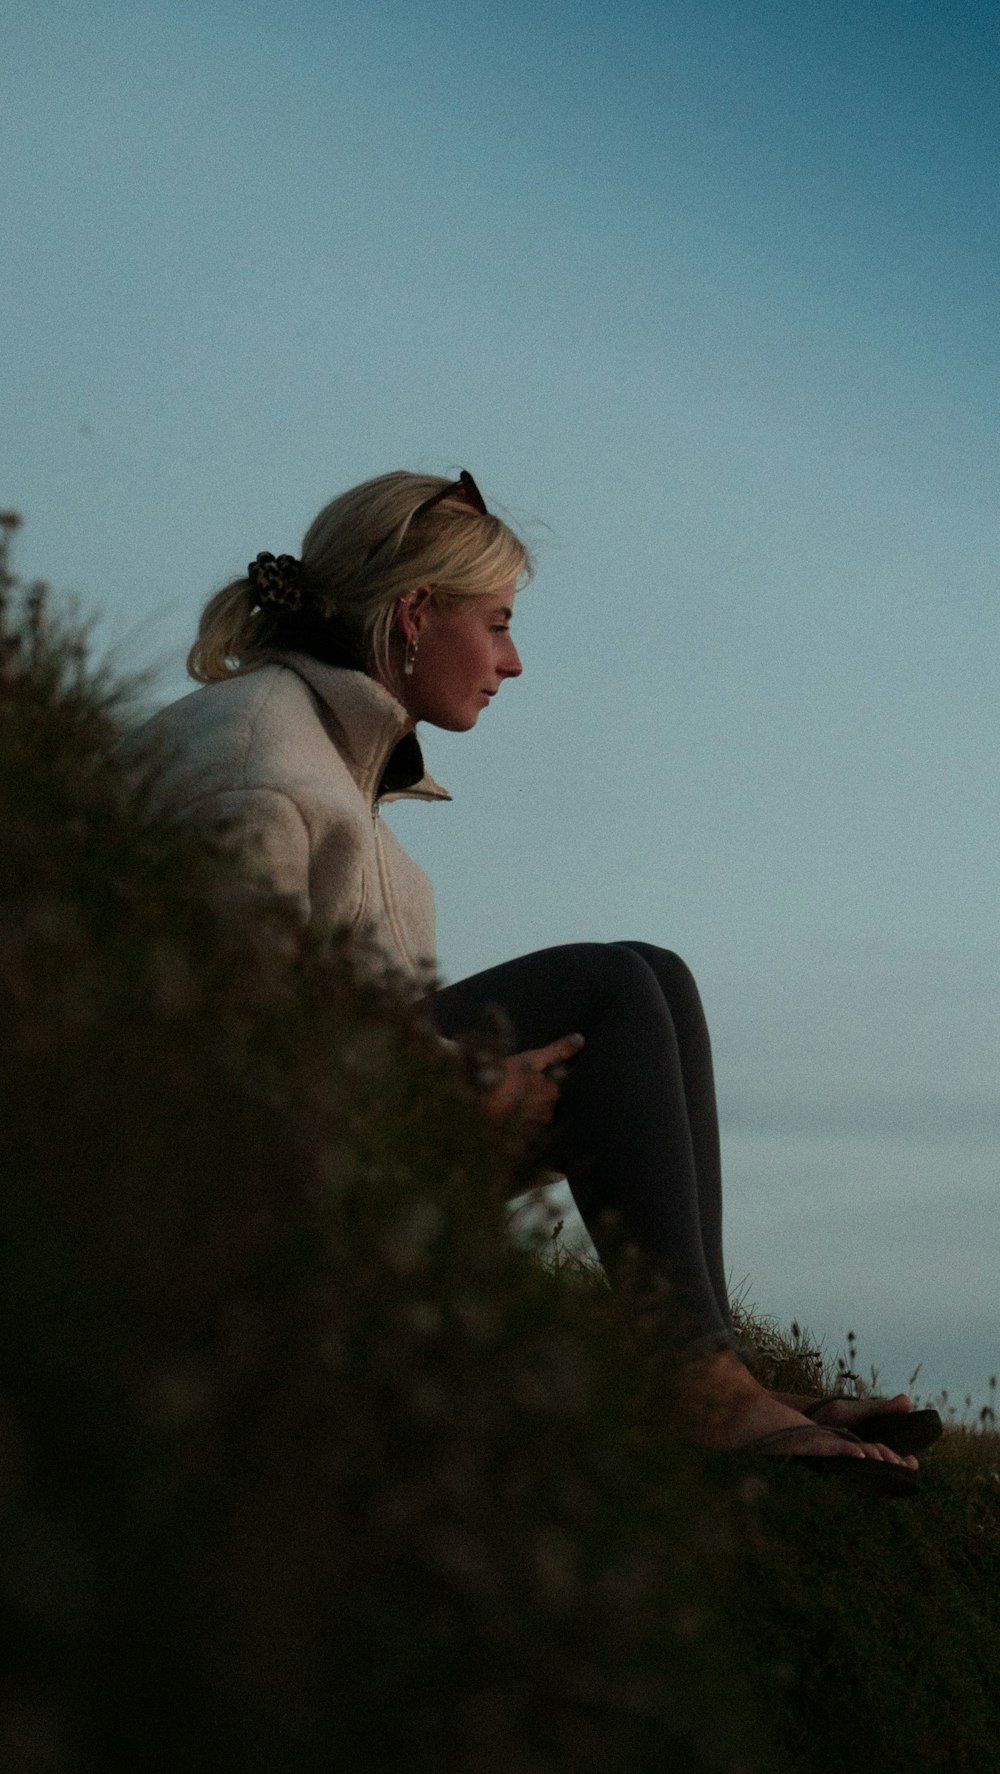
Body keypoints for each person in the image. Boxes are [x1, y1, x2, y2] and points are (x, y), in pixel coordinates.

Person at [138, 468, 936, 1493]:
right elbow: (211, 1025)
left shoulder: (328, 771)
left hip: (322, 1140)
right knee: (607, 986)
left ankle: (713, 1364)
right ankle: (697, 1387)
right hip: (207, 1190)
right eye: (500, 624)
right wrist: (438, 1089)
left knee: (652, 974)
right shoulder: (259, 763)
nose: (513, 663)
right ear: (418, 613)